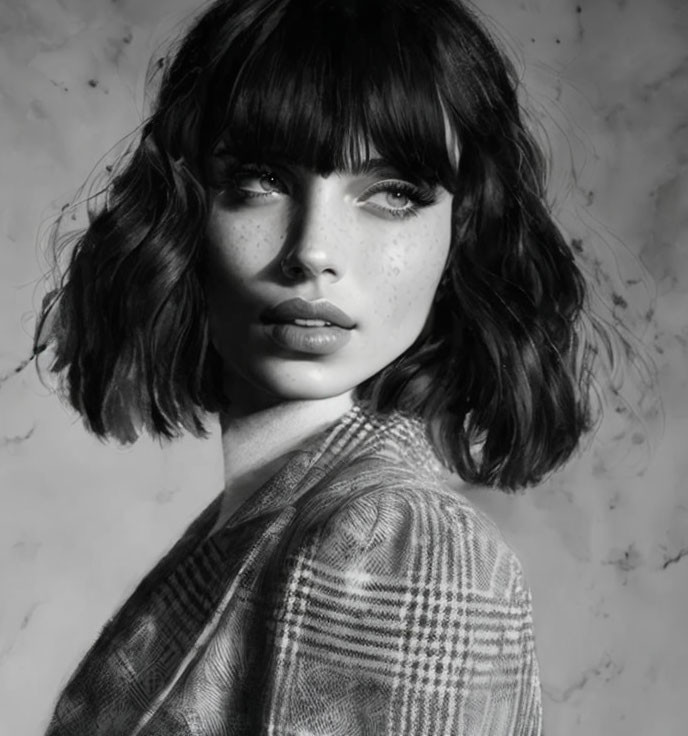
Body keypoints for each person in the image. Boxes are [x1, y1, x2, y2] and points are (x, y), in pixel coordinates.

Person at [35, 0, 597, 732]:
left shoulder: (396, 541)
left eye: (394, 193)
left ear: (460, 235)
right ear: (183, 212)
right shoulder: (253, 522)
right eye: (260, 181)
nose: (313, 251)